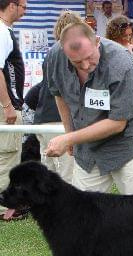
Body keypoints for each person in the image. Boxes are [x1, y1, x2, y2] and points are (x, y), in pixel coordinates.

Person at [41, 21, 133, 256]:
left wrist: (69, 137)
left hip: (128, 146)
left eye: (89, 58)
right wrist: (71, 135)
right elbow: (59, 94)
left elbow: (117, 123)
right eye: (76, 61)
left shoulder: (123, 62)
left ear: (97, 41)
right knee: (75, 224)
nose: (84, 64)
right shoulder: (55, 58)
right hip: (87, 149)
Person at [34, 11, 82, 185]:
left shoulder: (50, 55)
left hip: (43, 118)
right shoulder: (71, 53)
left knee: (48, 175)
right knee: (67, 177)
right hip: (61, 120)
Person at [0, 0, 27, 221]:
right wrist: (8, 105)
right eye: (23, 6)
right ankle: (3, 208)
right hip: (5, 106)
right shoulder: (2, 32)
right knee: (7, 156)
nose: (25, 10)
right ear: (12, 5)